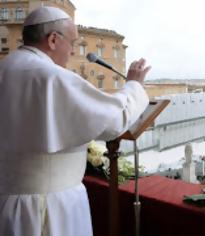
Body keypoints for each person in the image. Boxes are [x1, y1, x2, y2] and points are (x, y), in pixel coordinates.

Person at [0, 6, 150, 236]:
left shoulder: (6, 67)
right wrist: (134, 85)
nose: (72, 52)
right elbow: (113, 120)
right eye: (72, 42)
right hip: (47, 208)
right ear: (52, 39)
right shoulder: (51, 76)